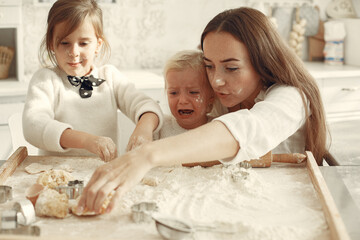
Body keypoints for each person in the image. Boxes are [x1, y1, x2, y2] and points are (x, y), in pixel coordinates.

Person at [77, 7, 327, 214]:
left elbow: (244, 130)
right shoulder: (220, 94)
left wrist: (146, 156)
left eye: (231, 68)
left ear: (263, 62)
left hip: (288, 203)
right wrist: (146, 126)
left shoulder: (292, 97)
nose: (216, 81)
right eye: (209, 65)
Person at [22, 0, 163, 162]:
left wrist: (143, 129)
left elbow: (147, 105)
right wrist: (87, 141)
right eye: (64, 43)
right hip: (55, 176)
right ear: (51, 44)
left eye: (83, 43)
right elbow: (33, 125)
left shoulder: (110, 77)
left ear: (98, 44)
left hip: (102, 174)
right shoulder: (46, 80)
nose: (74, 52)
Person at [153, 49, 215, 140]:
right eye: (173, 93)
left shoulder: (217, 128)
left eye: (193, 92)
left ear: (211, 97)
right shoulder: (159, 128)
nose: (182, 101)